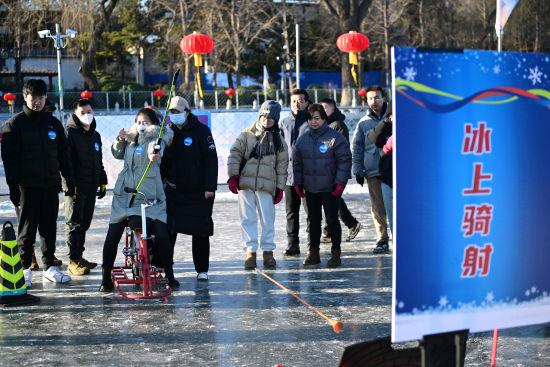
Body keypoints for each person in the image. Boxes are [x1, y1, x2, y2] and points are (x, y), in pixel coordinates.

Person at [1, 79, 74, 286]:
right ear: (25, 97)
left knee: (49, 228)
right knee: (27, 231)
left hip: (50, 185)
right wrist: (13, 187)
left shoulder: (53, 123)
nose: (38, 102)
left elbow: (63, 155)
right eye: (34, 98)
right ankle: (24, 269)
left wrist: (69, 179)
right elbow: (10, 161)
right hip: (27, 187)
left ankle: (49, 266)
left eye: (42, 98)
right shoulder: (14, 125)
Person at [99, 108, 178, 291]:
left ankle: (170, 273)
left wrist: (154, 154)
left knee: (162, 234)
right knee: (113, 234)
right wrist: (119, 140)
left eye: (146, 122)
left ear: (153, 124)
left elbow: (157, 149)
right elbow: (117, 153)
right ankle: (105, 276)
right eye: (139, 122)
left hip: (149, 197)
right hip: (125, 196)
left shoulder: (156, 138)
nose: (142, 125)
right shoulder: (130, 138)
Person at [161, 96, 218, 281]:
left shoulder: (202, 131)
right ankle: (165, 267)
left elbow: (211, 161)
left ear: (187, 111)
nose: (174, 115)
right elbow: (161, 162)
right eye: (171, 112)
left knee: (200, 231)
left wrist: (210, 187)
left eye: (177, 111)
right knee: (169, 231)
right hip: (174, 190)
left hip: (198, 191)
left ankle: (202, 269)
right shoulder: (167, 132)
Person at [227, 100, 288, 270]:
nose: (267, 120)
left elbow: (282, 166)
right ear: (259, 115)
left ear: (276, 120)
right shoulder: (246, 135)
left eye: (271, 118)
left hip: (266, 186)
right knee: (247, 218)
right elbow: (234, 155)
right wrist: (233, 176)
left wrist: (280, 187)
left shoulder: (279, 141)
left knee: (268, 219)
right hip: (246, 184)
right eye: (264, 116)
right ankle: (250, 251)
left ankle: (268, 251)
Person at [293, 104, 351, 267]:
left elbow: (344, 160)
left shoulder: (335, 137)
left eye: (317, 118)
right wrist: (298, 182)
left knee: (332, 220)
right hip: (311, 187)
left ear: (324, 119)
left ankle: (335, 253)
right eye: (310, 118)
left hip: (330, 187)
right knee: (313, 220)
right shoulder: (303, 138)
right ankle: (313, 253)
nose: (313, 121)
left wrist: (340, 182)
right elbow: (297, 162)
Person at [64, 99, 108, 275]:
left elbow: (99, 161)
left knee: (84, 223)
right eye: (82, 112)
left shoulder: (95, 135)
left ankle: (79, 256)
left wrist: (102, 180)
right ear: (75, 114)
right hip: (76, 187)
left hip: (90, 186)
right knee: (74, 223)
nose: (87, 115)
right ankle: (73, 260)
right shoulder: (70, 134)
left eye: (89, 111)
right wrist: (70, 185)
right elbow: (65, 163)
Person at [351, 85, 390, 254]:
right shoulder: (363, 123)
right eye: (370, 98)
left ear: (384, 98)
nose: (374, 101)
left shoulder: (395, 117)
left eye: (377, 97)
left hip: (394, 169)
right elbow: (357, 147)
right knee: (378, 208)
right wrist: (358, 169)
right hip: (374, 170)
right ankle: (382, 238)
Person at [319, 98, 362, 243]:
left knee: (332, 198)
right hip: (324, 170)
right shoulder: (323, 125)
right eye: (320, 107)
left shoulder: (337, 125)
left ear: (333, 108)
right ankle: (341, 227)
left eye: (325, 107)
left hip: (335, 170)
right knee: (332, 199)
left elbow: (340, 149)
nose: (323, 110)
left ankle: (342, 226)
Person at [279, 88, 310, 256]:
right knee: (291, 212)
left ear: (306, 103)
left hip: (307, 175)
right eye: (293, 102)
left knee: (310, 212)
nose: (297, 104)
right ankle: (292, 244)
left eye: (300, 101)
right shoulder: (284, 122)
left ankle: (312, 244)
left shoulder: (312, 121)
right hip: (289, 176)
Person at [368, 112, 393, 237]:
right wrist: (386, 122)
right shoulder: (385, 127)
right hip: (385, 176)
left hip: (406, 178)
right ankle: (386, 239)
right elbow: (373, 138)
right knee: (387, 212)